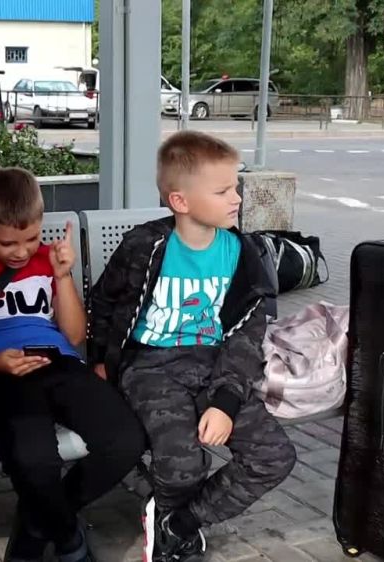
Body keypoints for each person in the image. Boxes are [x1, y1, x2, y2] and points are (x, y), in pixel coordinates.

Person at [89, 131, 297, 562]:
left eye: (235, 186)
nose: (236, 198)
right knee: (181, 464)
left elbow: (247, 333)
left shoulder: (243, 253)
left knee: (273, 456)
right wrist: (99, 360)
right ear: (180, 201)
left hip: (214, 365)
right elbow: (105, 302)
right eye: (222, 191)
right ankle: (167, 524)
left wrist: (225, 402)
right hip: (150, 367)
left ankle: (180, 523)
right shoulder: (145, 246)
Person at [0, 167, 146, 562]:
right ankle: (68, 539)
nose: (21, 252)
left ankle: (37, 525)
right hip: (0, 376)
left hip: (59, 363)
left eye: (31, 238)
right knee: (34, 458)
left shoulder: (47, 260)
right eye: (7, 243)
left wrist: (62, 275)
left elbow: (74, 334)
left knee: (125, 441)